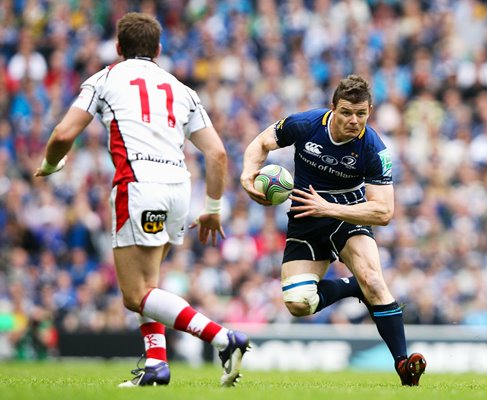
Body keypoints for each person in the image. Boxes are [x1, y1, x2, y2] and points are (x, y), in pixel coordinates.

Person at [34, 12, 250, 388]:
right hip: (178, 188)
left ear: (118, 48)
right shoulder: (182, 89)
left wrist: (52, 164)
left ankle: (222, 337)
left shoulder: (104, 79)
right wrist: (214, 209)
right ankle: (156, 366)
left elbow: (62, 134)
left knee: (135, 295)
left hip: (138, 184)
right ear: (159, 49)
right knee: (149, 286)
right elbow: (217, 154)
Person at [240, 75, 426, 386]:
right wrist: (248, 175)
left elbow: (384, 212)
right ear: (333, 109)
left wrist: (328, 207)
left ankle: (403, 365)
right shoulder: (306, 124)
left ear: (369, 111)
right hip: (305, 218)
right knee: (299, 304)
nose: (354, 121)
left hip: (348, 217)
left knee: (374, 279)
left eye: (361, 114)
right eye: (347, 112)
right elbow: (261, 142)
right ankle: (351, 288)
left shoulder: (374, 149)